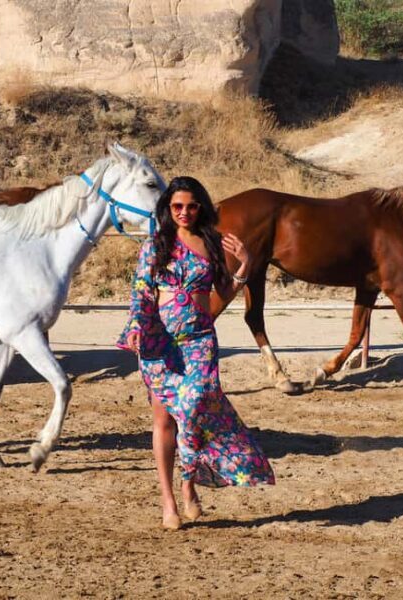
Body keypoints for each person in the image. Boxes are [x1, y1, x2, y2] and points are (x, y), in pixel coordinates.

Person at [117, 176, 274, 530]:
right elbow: (141, 292)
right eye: (176, 207)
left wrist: (245, 266)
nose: (184, 212)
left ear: (200, 206)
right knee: (163, 420)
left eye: (190, 206)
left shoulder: (212, 243)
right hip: (160, 342)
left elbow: (223, 291)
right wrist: (138, 327)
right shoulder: (156, 245)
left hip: (199, 339)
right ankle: (169, 501)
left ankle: (188, 482)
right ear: (168, 209)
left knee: (195, 406)